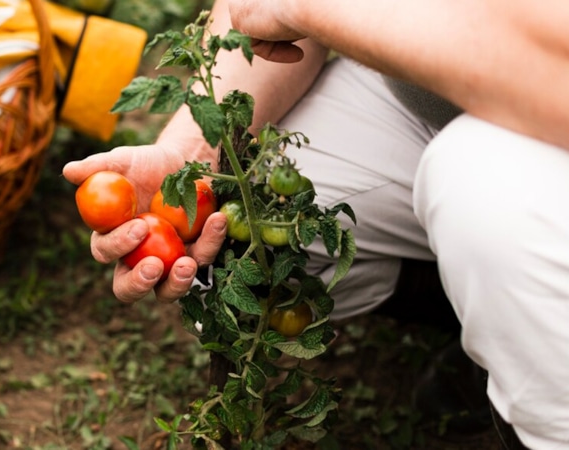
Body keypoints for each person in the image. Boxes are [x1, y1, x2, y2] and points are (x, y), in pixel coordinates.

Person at [63, 1, 569, 448]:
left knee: (481, 190)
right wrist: (190, 154)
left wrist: (310, 6)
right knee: (242, 242)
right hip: (418, 90)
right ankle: (486, 324)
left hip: (549, 117)